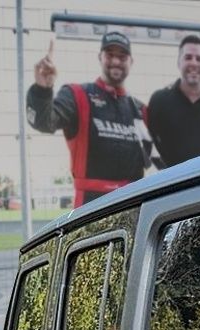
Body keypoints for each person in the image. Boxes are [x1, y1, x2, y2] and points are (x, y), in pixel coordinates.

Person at [27, 31, 149, 207]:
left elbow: (165, 156)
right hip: (90, 207)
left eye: (122, 56)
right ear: (100, 57)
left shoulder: (140, 110)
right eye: (110, 55)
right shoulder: (77, 95)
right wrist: (42, 90)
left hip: (133, 204)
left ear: (131, 62)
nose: (115, 61)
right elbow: (44, 121)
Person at [145, 35, 200, 167]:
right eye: (188, 57)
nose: (194, 63)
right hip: (171, 184)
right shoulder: (160, 100)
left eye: (199, 59)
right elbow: (148, 143)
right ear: (178, 62)